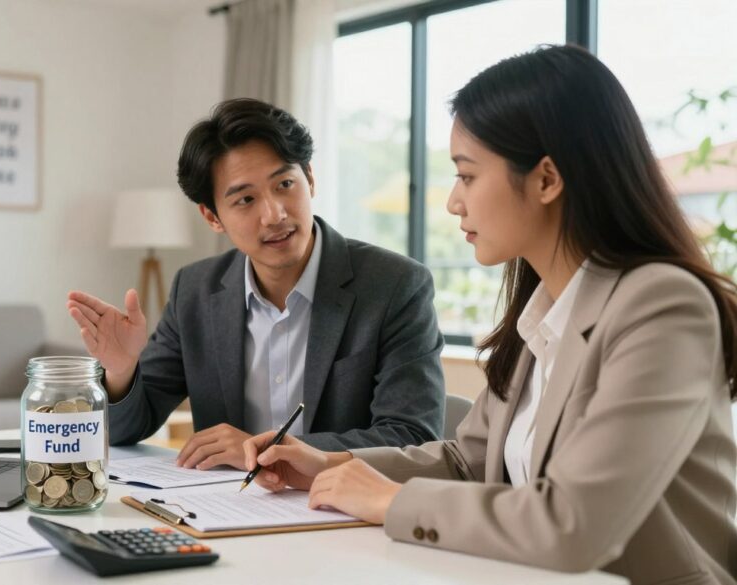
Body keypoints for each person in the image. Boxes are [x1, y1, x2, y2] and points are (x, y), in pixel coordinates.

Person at [241, 45, 737, 584]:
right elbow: (468, 461)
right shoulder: (542, 310)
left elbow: (572, 524)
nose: (454, 202)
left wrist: (391, 501)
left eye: (468, 175)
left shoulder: (662, 306)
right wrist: (329, 464)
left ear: (547, 180)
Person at [67, 98, 446, 470]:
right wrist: (120, 371)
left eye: (284, 184)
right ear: (212, 217)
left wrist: (264, 449)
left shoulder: (396, 286)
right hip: (225, 512)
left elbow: (412, 435)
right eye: (245, 199)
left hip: (342, 511)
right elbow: (125, 429)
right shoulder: (195, 290)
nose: (274, 214)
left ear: (309, 179)